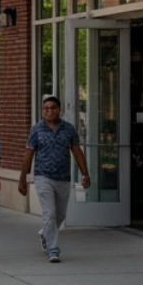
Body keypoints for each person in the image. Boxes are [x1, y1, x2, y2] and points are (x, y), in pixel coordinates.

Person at [18, 95, 90, 263]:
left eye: (52, 108)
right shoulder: (37, 130)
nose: (49, 111)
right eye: (46, 109)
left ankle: (45, 234)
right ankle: (53, 249)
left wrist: (85, 173)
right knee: (49, 214)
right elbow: (28, 154)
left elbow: (76, 151)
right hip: (43, 177)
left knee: (60, 215)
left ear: (59, 110)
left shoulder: (69, 129)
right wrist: (23, 178)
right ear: (42, 111)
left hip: (63, 178)